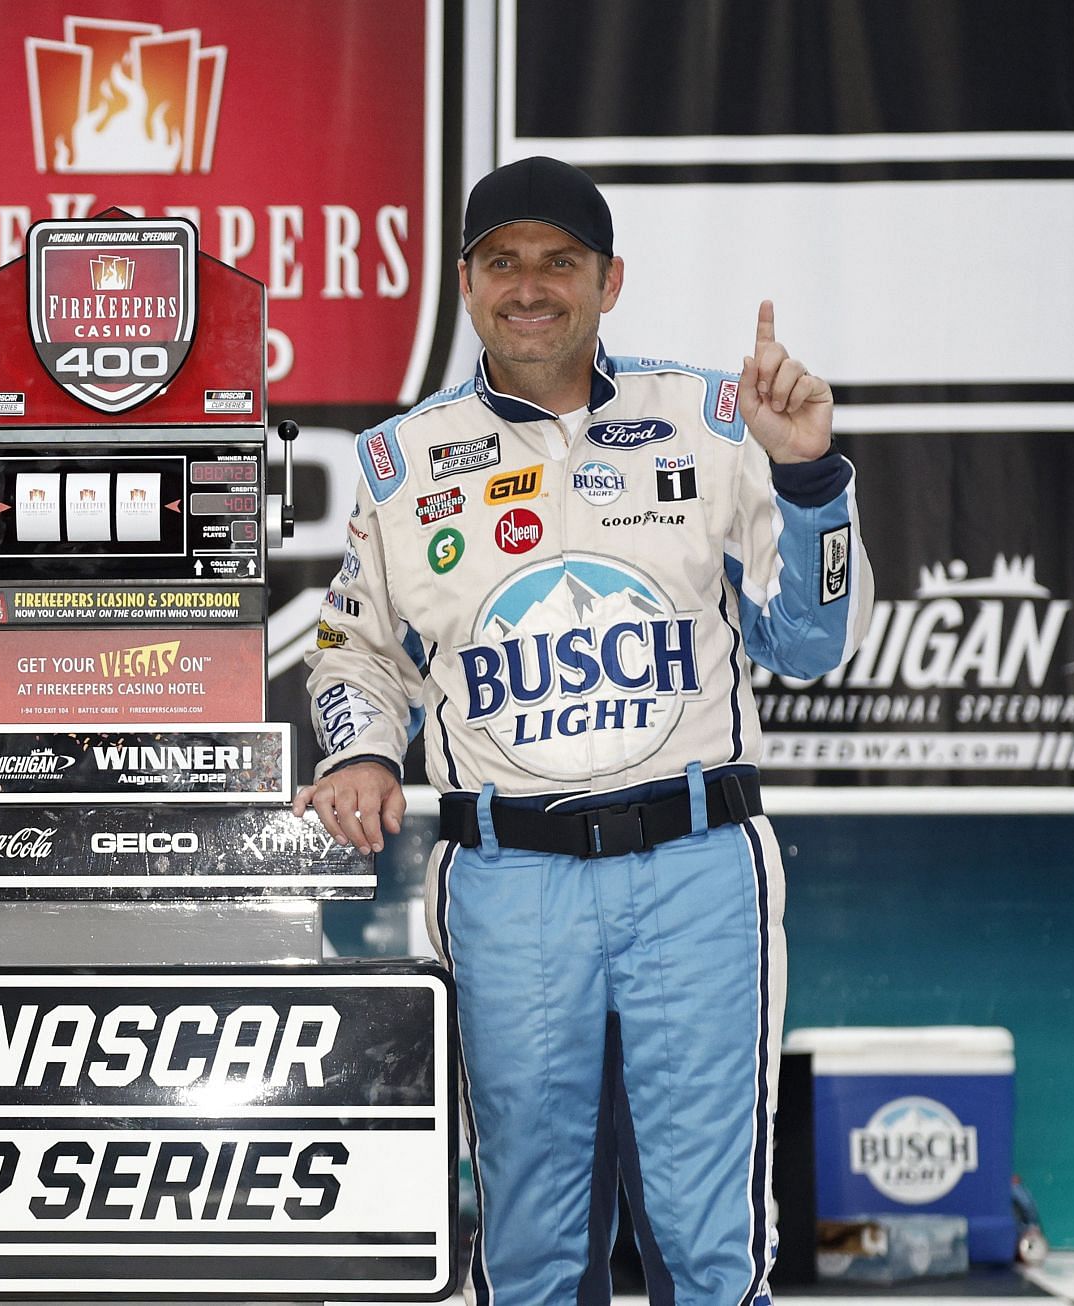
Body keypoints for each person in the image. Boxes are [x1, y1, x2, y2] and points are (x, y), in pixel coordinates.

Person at [293, 156, 873, 1304]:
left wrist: (807, 480)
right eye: (502, 261)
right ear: (465, 284)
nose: (531, 286)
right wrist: (360, 744)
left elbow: (810, 643)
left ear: (611, 280)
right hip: (509, 881)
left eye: (561, 261)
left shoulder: (711, 421)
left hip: (699, 872)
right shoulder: (403, 464)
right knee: (531, 1252)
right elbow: (352, 648)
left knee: (714, 1248)